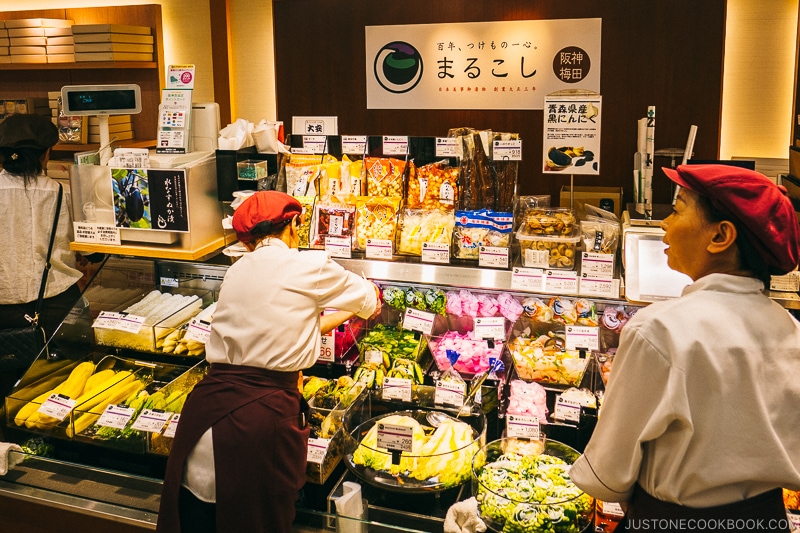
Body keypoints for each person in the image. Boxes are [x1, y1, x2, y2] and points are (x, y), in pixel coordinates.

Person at [570, 164, 800, 532]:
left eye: (676, 211)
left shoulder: (658, 329)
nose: (664, 224)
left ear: (721, 236)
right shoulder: (791, 329)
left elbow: (607, 475)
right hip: (769, 520)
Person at [156, 191, 382, 533]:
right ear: (292, 224)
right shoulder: (310, 264)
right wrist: (366, 300)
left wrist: (329, 312)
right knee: (256, 522)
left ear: (249, 241)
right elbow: (370, 300)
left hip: (203, 415)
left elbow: (288, 328)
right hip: (257, 423)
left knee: (196, 522)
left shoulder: (235, 272)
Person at [0, 114, 84, 396]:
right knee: (61, 394)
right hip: (56, 309)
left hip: (2, 314)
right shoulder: (63, 193)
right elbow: (90, 249)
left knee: (7, 399)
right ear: (46, 154)